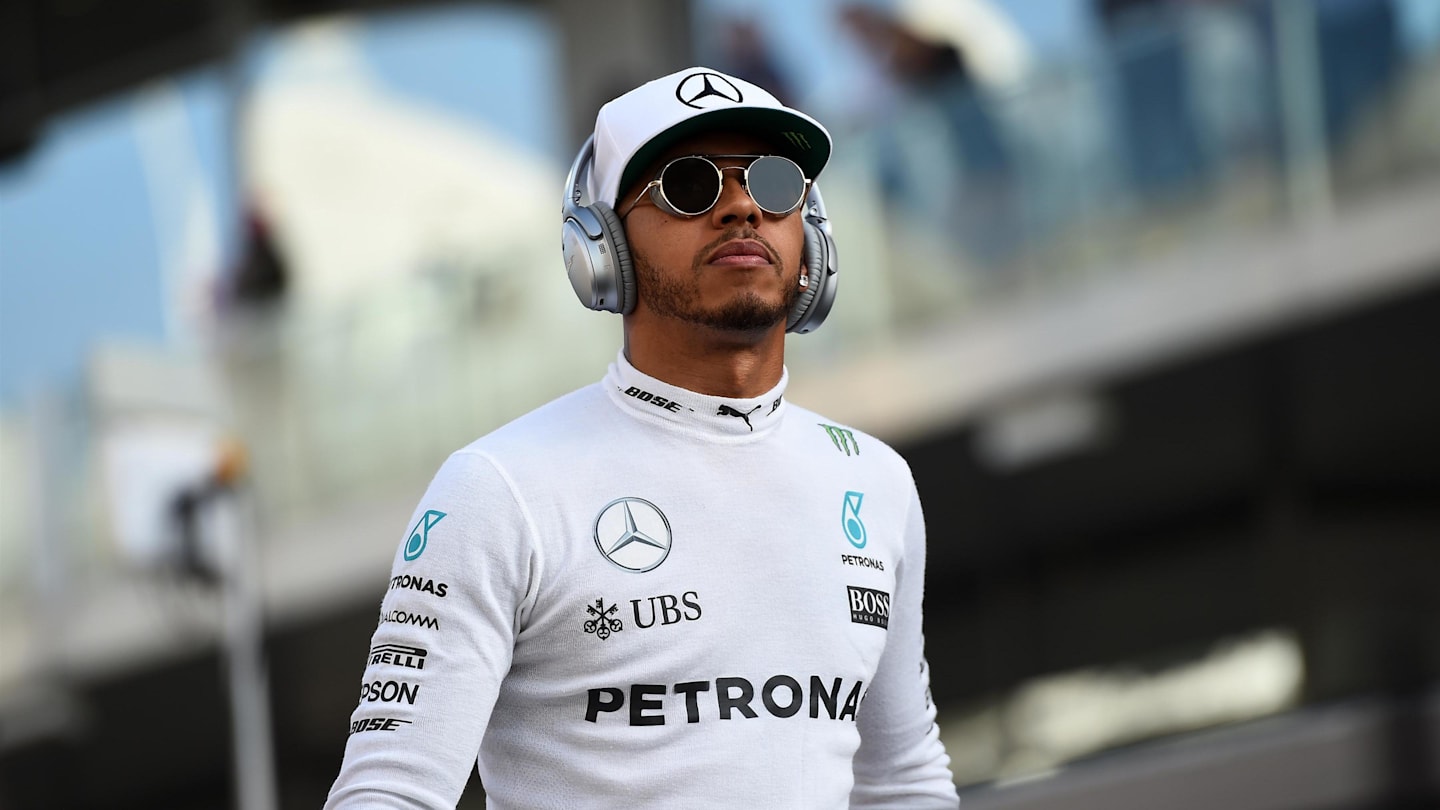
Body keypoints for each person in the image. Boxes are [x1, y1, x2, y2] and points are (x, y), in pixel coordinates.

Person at [324, 66, 959, 809]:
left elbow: (905, 780)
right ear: (602, 249)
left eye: (776, 182)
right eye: (690, 185)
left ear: (811, 235)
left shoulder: (875, 481)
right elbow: (390, 792)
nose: (742, 206)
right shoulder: (498, 489)